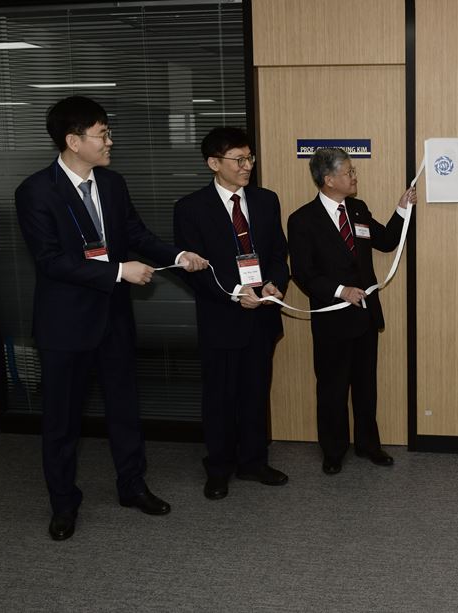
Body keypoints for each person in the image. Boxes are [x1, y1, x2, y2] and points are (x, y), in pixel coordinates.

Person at [14, 96, 207, 541]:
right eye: (102, 134)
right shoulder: (36, 191)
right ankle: (64, 504)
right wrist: (119, 270)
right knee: (62, 422)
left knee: (125, 409)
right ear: (73, 140)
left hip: (113, 320)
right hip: (65, 326)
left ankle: (132, 486)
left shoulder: (113, 183)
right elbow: (51, 261)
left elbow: (135, 233)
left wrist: (176, 254)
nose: (109, 141)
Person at [173, 127, 290, 500]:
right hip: (222, 318)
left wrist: (274, 283)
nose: (247, 166)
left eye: (250, 158)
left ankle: (254, 461)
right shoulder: (191, 208)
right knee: (221, 397)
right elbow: (192, 271)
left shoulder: (266, 200)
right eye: (238, 160)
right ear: (213, 163)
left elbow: (277, 252)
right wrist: (235, 293)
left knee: (255, 392)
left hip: (262, 316)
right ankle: (219, 467)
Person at [287, 147, 415, 475]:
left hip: (364, 318)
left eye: (353, 171)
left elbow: (386, 241)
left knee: (365, 385)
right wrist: (340, 290)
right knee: (332, 388)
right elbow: (303, 273)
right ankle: (333, 450)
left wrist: (402, 210)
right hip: (332, 319)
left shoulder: (358, 209)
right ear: (328, 180)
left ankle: (368, 445)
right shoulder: (302, 220)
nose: (354, 177)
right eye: (348, 172)